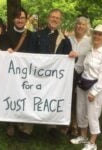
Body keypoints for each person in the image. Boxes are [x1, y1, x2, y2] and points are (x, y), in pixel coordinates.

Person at [30, 8, 72, 138]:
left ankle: (51, 126)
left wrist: (71, 55)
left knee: (51, 98)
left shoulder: (65, 40)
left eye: (57, 18)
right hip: (36, 75)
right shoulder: (36, 35)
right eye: (52, 17)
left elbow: (67, 59)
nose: (54, 19)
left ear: (60, 21)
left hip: (54, 79)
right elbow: (28, 55)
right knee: (33, 98)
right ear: (48, 18)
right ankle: (27, 127)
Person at [70, 25, 102, 150]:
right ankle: (83, 136)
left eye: (100, 34)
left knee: (93, 115)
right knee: (81, 111)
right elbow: (81, 66)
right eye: (96, 34)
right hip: (83, 84)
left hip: (95, 88)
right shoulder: (89, 50)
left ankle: (92, 143)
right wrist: (67, 65)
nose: (97, 36)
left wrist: (94, 92)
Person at [0, 7, 34, 139]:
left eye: (23, 18)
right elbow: (2, 51)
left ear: (26, 19)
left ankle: (22, 123)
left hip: (26, 74)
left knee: (24, 97)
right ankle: (10, 123)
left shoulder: (31, 35)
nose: (20, 20)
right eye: (18, 17)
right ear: (14, 19)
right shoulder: (5, 36)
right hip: (11, 74)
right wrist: (6, 50)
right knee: (11, 97)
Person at [68, 16, 91, 136]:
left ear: (86, 27)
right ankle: (66, 123)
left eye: (83, 24)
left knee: (79, 101)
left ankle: (75, 124)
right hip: (68, 74)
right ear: (75, 25)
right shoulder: (68, 39)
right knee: (68, 99)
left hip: (82, 75)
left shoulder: (90, 42)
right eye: (78, 24)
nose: (80, 26)